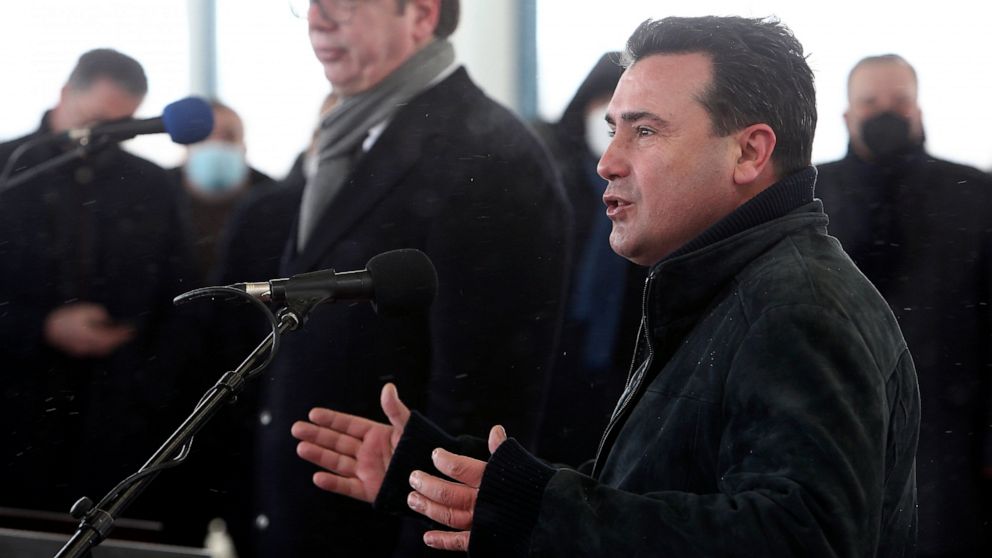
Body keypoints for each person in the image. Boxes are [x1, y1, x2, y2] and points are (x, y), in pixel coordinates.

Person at [291, 16, 922, 557]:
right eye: (615, 127)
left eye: (644, 131)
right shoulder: (729, 290)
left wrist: (537, 512)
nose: (607, 160)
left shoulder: (795, 308)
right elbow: (653, 495)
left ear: (750, 153)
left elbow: (799, 540)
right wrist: (449, 477)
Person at [216, 0, 570, 556]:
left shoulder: (488, 156)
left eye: (341, 5)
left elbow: (480, 409)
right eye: (307, 4)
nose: (317, 19)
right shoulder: (351, 137)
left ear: (422, 15)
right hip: (303, 519)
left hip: (380, 536)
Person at [0, 49, 196, 518]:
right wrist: (42, 327)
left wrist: (147, 370)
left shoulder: (151, 185)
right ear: (66, 94)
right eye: (95, 123)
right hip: (14, 415)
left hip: (116, 417)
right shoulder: (7, 169)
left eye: (120, 128)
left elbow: (183, 295)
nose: (101, 142)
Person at [815, 54, 992, 557]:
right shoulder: (809, 195)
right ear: (847, 115)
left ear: (919, 110)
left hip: (947, 432)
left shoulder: (975, 194)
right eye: (870, 102)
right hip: (830, 423)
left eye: (899, 100)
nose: (885, 112)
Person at [532, 52, 646, 465]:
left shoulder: (653, 186)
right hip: (555, 346)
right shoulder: (549, 169)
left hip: (623, 349)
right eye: (605, 111)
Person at [170, 100, 272, 282]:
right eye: (204, 136)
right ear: (186, 148)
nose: (216, 144)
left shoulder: (272, 201)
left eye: (228, 136)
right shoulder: (158, 196)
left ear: (243, 147)